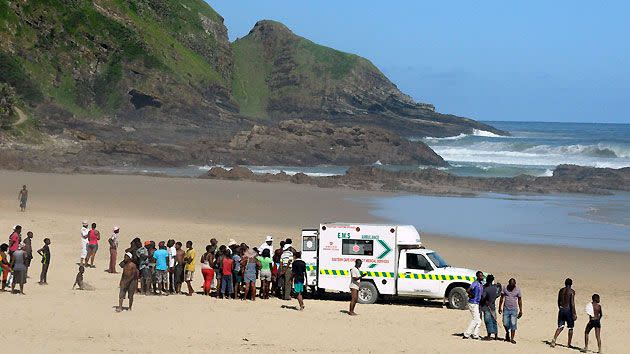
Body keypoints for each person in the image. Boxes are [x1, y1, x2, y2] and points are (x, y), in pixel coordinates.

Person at [551, 278, 577, 348]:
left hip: (561, 309)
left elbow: (558, 301)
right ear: (571, 284)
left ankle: (554, 339)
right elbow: (572, 303)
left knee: (560, 326)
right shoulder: (572, 291)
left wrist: (560, 308)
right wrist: (574, 313)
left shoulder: (561, 290)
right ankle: (569, 344)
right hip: (568, 310)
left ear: (565, 283)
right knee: (570, 327)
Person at [499, 278, 523, 344]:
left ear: (515, 284)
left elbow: (519, 300)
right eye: (510, 285)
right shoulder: (505, 288)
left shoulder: (518, 290)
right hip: (506, 309)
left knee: (513, 324)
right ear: (508, 283)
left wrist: (521, 310)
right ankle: (507, 332)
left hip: (514, 309)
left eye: (513, 285)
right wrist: (499, 307)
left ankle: (512, 339)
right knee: (505, 323)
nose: (511, 286)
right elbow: (501, 298)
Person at [464, 271, 485, 340]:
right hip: (473, 303)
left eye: (482, 276)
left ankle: (475, 335)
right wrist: (471, 295)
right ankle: (466, 334)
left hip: (477, 303)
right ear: (478, 276)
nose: (482, 277)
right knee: (475, 319)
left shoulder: (481, 284)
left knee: (479, 321)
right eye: (481, 276)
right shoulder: (475, 283)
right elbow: (468, 290)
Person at [480, 274, 500, 340]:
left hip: (486, 307)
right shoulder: (495, 288)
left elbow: (483, 297)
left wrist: (483, 301)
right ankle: (496, 335)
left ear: (487, 280)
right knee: (494, 320)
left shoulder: (486, 289)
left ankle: (489, 335)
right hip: (493, 306)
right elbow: (498, 294)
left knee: (488, 321)